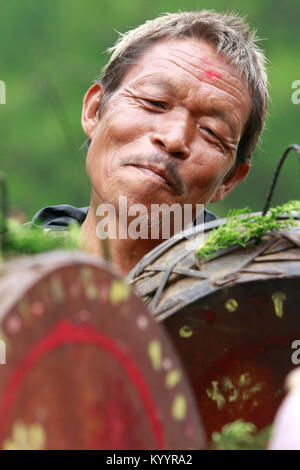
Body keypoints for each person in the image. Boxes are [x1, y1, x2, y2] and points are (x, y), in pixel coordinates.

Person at [31, 10, 268, 275]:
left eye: (211, 132)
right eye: (154, 103)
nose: (175, 139)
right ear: (94, 110)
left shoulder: (252, 305)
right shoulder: (12, 273)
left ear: (229, 181)